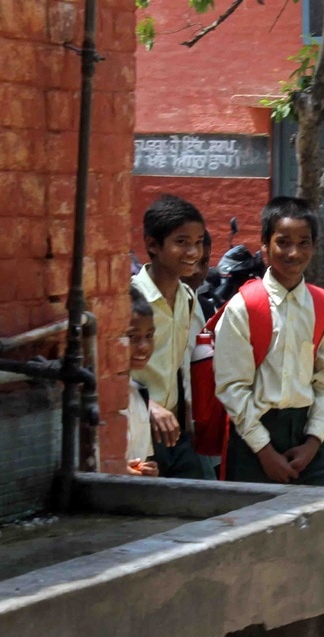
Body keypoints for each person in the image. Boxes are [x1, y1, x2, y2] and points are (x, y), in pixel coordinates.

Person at [213, 196, 324, 487]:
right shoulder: (243, 307)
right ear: (264, 244)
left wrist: (314, 441)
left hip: (308, 429)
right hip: (255, 432)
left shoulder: (323, 306)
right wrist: (265, 451)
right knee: (251, 524)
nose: (294, 252)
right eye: (283, 242)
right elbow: (232, 387)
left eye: (304, 243)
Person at [131, 194, 209, 479]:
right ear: (153, 245)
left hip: (176, 432)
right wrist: (146, 405)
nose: (193, 252)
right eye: (182, 242)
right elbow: (106, 370)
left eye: (198, 242)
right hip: (139, 429)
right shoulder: (130, 299)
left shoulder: (188, 297)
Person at [125, 287, 159, 477]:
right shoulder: (94, 397)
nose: (144, 347)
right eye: (132, 337)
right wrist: (120, 470)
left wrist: (144, 471)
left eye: (149, 336)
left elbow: (141, 458)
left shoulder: (138, 396)